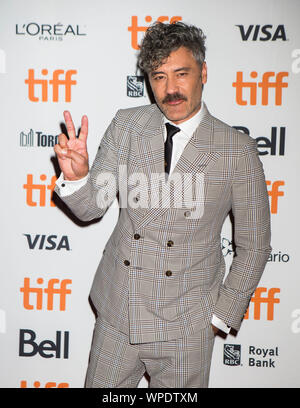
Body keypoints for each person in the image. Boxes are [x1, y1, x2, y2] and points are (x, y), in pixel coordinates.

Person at [54, 21, 271, 388]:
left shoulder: (237, 150)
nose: (170, 89)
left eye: (181, 74)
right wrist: (77, 177)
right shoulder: (127, 126)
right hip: (119, 312)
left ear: (203, 72)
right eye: (159, 77)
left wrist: (222, 315)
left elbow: (254, 246)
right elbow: (93, 207)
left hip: (187, 325)